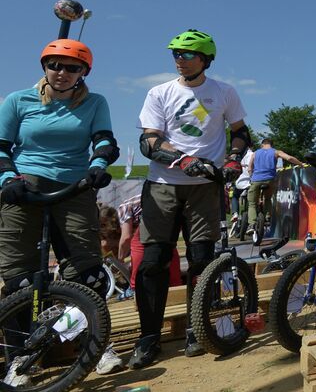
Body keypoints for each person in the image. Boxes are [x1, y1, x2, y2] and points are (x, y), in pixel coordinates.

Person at [0, 38, 123, 380]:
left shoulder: (95, 102)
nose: (62, 73)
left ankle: (94, 345)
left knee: (87, 273)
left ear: (84, 73)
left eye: (72, 68)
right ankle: (20, 359)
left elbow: (104, 140)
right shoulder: (18, 100)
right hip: (25, 187)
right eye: (55, 65)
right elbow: (1, 146)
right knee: (19, 278)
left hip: (75, 186)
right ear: (44, 67)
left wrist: (99, 163)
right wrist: (8, 179)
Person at [129, 29, 251, 368]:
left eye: (187, 55)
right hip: (163, 183)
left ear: (205, 59)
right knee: (153, 262)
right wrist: (186, 161)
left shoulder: (224, 92)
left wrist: (233, 160)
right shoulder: (160, 92)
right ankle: (148, 337)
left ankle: (198, 329)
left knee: (201, 261)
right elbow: (149, 142)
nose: (179, 60)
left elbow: (240, 131)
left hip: (204, 188)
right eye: (175, 55)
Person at [116, 194, 182, 293]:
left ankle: (137, 290)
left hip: (149, 224)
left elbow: (126, 237)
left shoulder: (124, 207)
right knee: (169, 247)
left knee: (137, 243)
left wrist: (120, 259)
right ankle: (177, 289)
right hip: (168, 217)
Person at [247, 138, 302, 230]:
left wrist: (251, 177)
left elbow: (249, 168)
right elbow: (289, 158)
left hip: (256, 180)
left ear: (262, 145)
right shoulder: (276, 152)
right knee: (268, 198)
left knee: (252, 203)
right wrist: (300, 163)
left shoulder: (255, 153)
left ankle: (252, 224)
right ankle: (267, 216)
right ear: (271, 145)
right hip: (270, 180)